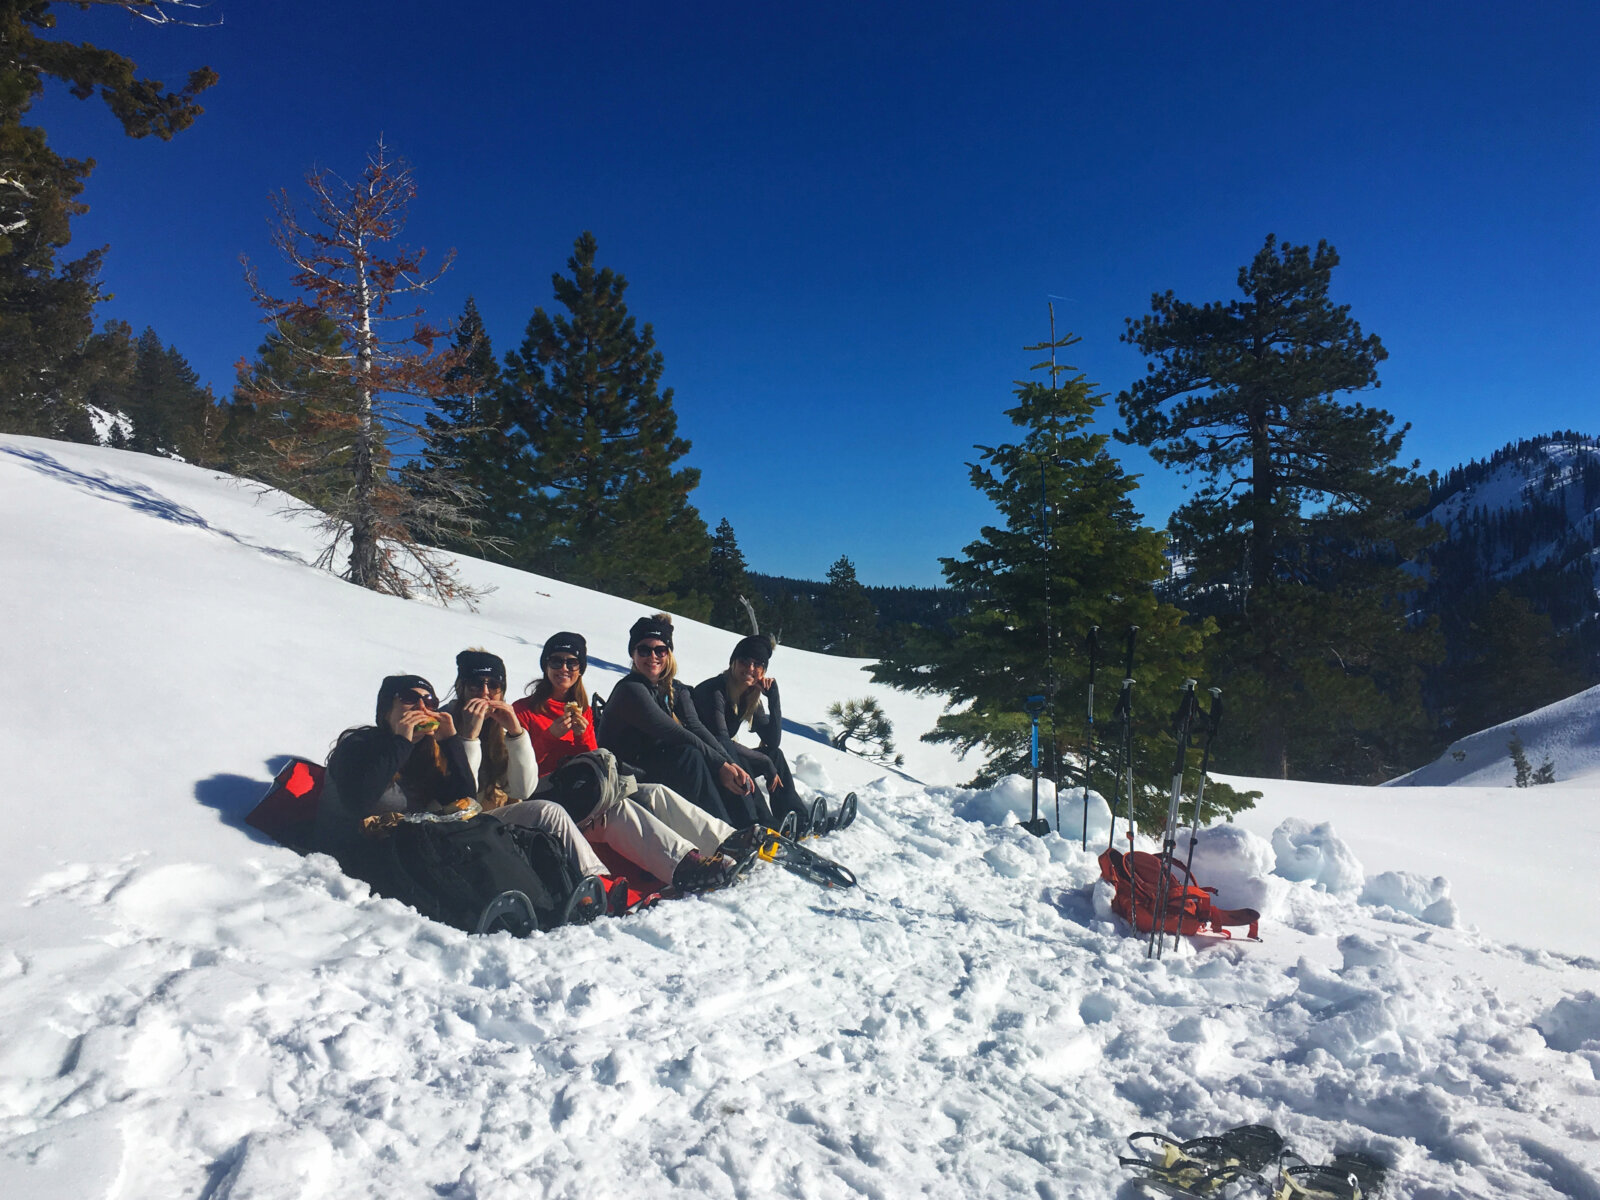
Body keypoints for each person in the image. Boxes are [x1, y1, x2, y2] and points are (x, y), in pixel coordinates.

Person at [318, 672, 602, 895]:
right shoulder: (359, 745)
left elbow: (463, 798)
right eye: (409, 699)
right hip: (360, 853)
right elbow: (359, 801)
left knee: (486, 828)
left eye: (429, 702)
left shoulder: (424, 750)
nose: (421, 708)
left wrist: (451, 741)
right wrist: (401, 741)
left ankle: (589, 887)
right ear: (384, 711)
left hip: (412, 846)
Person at [517, 632, 742, 889]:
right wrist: (548, 737)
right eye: (556, 662)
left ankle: (726, 842)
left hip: (581, 788)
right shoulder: (524, 710)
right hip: (547, 791)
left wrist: (581, 737)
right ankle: (684, 866)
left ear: (581, 669)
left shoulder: (583, 710)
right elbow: (516, 771)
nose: (564, 669)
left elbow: (592, 760)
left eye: (572, 663)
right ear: (545, 665)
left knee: (656, 793)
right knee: (618, 809)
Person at [597, 614, 770, 829]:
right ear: (633, 655)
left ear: (668, 654)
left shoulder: (672, 688)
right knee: (692, 757)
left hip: (649, 764)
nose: (653, 656)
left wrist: (729, 763)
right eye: (644, 650)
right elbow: (675, 733)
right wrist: (721, 765)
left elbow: (697, 727)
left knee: (718, 751)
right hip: (624, 774)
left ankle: (754, 824)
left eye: (660, 650)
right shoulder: (631, 690)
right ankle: (726, 831)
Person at [693, 634, 809, 832]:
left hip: (727, 755)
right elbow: (720, 740)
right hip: (711, 762)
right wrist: (763, 762)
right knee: (749, 761)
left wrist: (774, 698)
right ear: (733, 663)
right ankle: (765, 826)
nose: (750, 668)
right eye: (745, 661)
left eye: (757, 664)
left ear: (763, 671)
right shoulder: (715, 691)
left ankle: (798, 821)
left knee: (775, 756)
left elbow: (772, 741)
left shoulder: (750, 694)